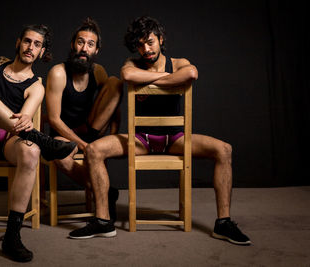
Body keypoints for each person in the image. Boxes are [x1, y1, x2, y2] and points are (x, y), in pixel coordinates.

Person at [68, 16, 251, 246]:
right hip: (140, 139)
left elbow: (191, 73)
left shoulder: (178, 62)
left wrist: (156, 79)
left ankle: (223, 223)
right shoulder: (133, 63)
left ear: (160, 39)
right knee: (94, 150)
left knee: (224, 150)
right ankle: (103, 221)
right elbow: (127, 76)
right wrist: (168, 79)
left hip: (175, 138)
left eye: (150, 42)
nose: (146, 49)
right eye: (141, 45)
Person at [0, 24, 77, 262]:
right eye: (27, 41)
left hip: (11, 139)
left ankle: (12, 236)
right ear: (18, 42)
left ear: (41, 51)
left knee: (31, 152)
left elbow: (24, 119)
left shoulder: (36, 85)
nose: (30, 47)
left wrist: (26, 124)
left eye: (37, 45)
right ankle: (40, 138)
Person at [45, 17, 123, 221]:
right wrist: (81, 144)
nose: (84, 48)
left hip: (90, 129)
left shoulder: (98, 72)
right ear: (73, 45)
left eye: (90, 44)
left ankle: (102, 195)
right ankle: (106, 192)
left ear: (96, 50)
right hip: (64, 133)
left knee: (115, 82)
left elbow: (113, 104)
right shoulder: (58, 73)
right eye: (80, 42)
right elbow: (53, 119)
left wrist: (112, 137)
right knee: (59, 156)